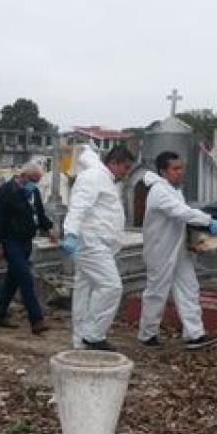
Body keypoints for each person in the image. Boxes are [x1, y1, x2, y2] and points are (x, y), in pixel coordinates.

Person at [137, 151, 217, 350]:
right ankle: (147, 334)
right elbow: (181, 212)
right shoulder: (159, 191)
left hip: (177, 249)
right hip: (160, 250)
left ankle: (195, 334)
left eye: (181, 168)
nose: (180, 172)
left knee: (189, 289)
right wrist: (208, 221)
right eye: (175, 169)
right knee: (156, 293)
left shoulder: (174, 189)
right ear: (163, 171)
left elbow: (183, 215)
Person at [61, 145, 135, 351]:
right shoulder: (93, 177)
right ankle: (93, 335)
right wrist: (71, 232)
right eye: (126, 167)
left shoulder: (104, 179)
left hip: (96, 243)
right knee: (111, 287)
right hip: (91, 243)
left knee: (84, 292)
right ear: (114, 163)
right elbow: (79, 205)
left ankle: (80, 340)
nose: (126, 172)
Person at [0, 162, 56, 335]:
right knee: (26, 278)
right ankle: (36, 320)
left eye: (37, 181)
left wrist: (48, 229)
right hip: (10, 241)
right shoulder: (6, 192)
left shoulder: (33, 192)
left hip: (26, 241)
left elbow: (39, 215)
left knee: (13, 280)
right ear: (23, 176)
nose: (35, 184)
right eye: (33, 180)